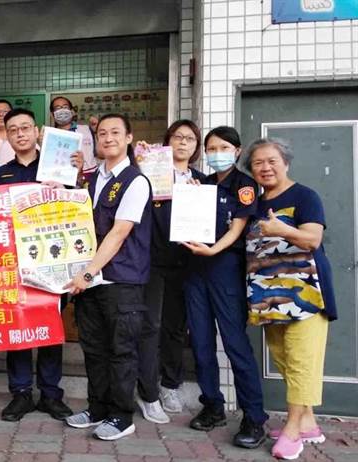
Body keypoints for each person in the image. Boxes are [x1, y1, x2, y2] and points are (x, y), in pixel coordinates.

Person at [244, 138, 337, 460]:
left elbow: (313, 239)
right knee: (284, 359)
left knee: (301, 361)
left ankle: (293, 430)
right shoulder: (255, 203)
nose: (265, 168)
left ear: (286, 162)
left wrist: (282, 230)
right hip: (268, 296)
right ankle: (308, 422)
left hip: (305, 295)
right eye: (258, 163)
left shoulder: (304, 196)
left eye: (272, 161)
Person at [63, 113, 153, 441]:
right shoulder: (90, 179)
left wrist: (86, 273)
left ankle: (121, 416)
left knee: (121, 350)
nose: (108, 138)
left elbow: (118, 233)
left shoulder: (136, 181)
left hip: (120, 280)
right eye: (102, 133)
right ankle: (97, 408)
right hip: (90, 281)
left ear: (129, 138)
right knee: (94, 348)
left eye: (116, 132)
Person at [181, 126, 268, 448]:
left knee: (235, 344)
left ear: (237, 151)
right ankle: (212, 406)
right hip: (196, 271)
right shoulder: (201, 184)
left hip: (226, 270)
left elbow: (238, 227)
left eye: (223, 148)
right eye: (211, 148)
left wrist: (214, 250)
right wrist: (189, 197)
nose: (217, 153)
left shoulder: (245, 184)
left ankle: (254, 417)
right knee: (201, 343)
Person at [0, 108, 82, 422]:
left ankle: (50, 394)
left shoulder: (59, 165)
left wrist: (72, 182)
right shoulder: (1, 173)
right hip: (15, 261)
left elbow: (76, 207)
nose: (20, 134)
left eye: (25, 128)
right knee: (18, 327)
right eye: (13, 129)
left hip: (51, 261)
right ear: (7, 135)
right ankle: (20, 393)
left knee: (49, 327)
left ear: (36, 131)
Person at [136, 120, 206, 420]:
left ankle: (170, 385)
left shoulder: (202, 181)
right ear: (167, 142)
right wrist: (141, 161)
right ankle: (147, 390)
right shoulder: (151, 174)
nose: (183, 142)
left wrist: (198, 198)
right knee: (150, 325)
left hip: (186, 262)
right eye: (177, 137)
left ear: (196, 147)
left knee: (176, 327)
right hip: (152, 260)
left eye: (190, 139)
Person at [50, 96, 97, 176]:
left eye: (65, 107)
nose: (62, 110)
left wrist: (98, 131)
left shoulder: (86, 130)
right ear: (52, 114)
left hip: (89, 176)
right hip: (62, 177)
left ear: (71, 111)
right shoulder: (50, 136)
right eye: (58, 108)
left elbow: (101, 154)